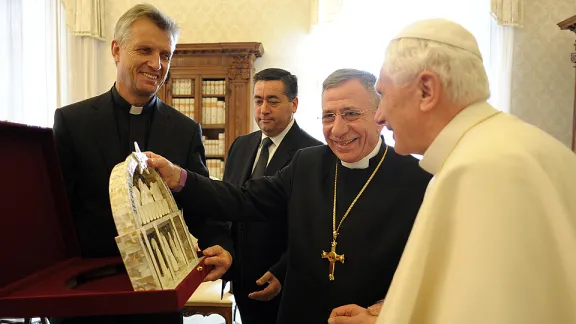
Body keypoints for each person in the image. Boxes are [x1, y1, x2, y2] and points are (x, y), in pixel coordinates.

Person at [335, 18, 576, 324]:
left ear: (426, 90)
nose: (380, 116)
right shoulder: (526, 145)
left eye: (383, 95)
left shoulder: (478, 170)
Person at [145, 68, 433, 323]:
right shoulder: (306, 163)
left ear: (380, 115)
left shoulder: (418, 177)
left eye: (351, 114)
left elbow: (429, 266)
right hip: (300, 312)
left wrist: (382, 310)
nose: (338, 129)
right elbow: (245, 199)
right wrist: (179, 177)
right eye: (329, 116)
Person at [52, 4, 232, 324]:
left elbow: (201, 203)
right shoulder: (72, 122)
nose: (156, 64)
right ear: (117, 50)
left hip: (159, 300)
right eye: (145, 50)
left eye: (166, 54)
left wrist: (221, 244)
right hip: (88, 295)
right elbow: (57, 214)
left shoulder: (185, 130)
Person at [222, 68, 322, 324]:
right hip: (242, 277)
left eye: (273, 101)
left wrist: (283, 270)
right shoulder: (241, 145)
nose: (263, 109)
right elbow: (228, 205)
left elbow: (314, 227)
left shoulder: (314, 153)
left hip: (284, 281)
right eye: (258, 101)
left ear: (294, 104)